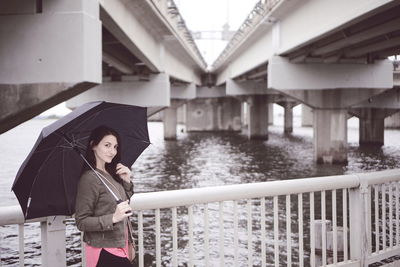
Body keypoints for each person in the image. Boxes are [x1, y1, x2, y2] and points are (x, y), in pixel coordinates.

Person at [75, 125, 135, 267]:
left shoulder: (111, 173)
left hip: (121, 245)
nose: (112, 151)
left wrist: (126, 182)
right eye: (107, 145)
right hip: (104, 249)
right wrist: (113, 218)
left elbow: (122, 204)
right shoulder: (89, 179)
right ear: (93, 145)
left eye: (115, 147)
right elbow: (81, 221)